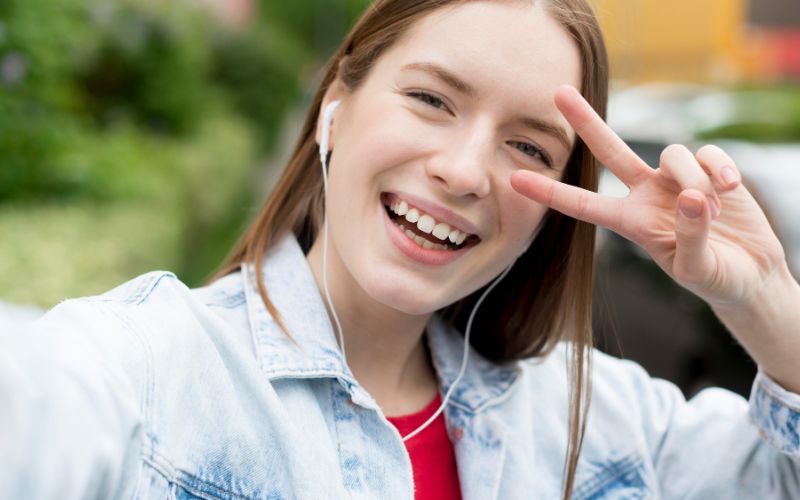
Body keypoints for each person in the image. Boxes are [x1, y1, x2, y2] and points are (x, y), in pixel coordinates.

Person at [2, 0, 799, 498]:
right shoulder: (136, 373)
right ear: (334, 110)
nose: (461, 171)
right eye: (430, 99)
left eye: (529, 148)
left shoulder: (589, 419)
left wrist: (764, 296)